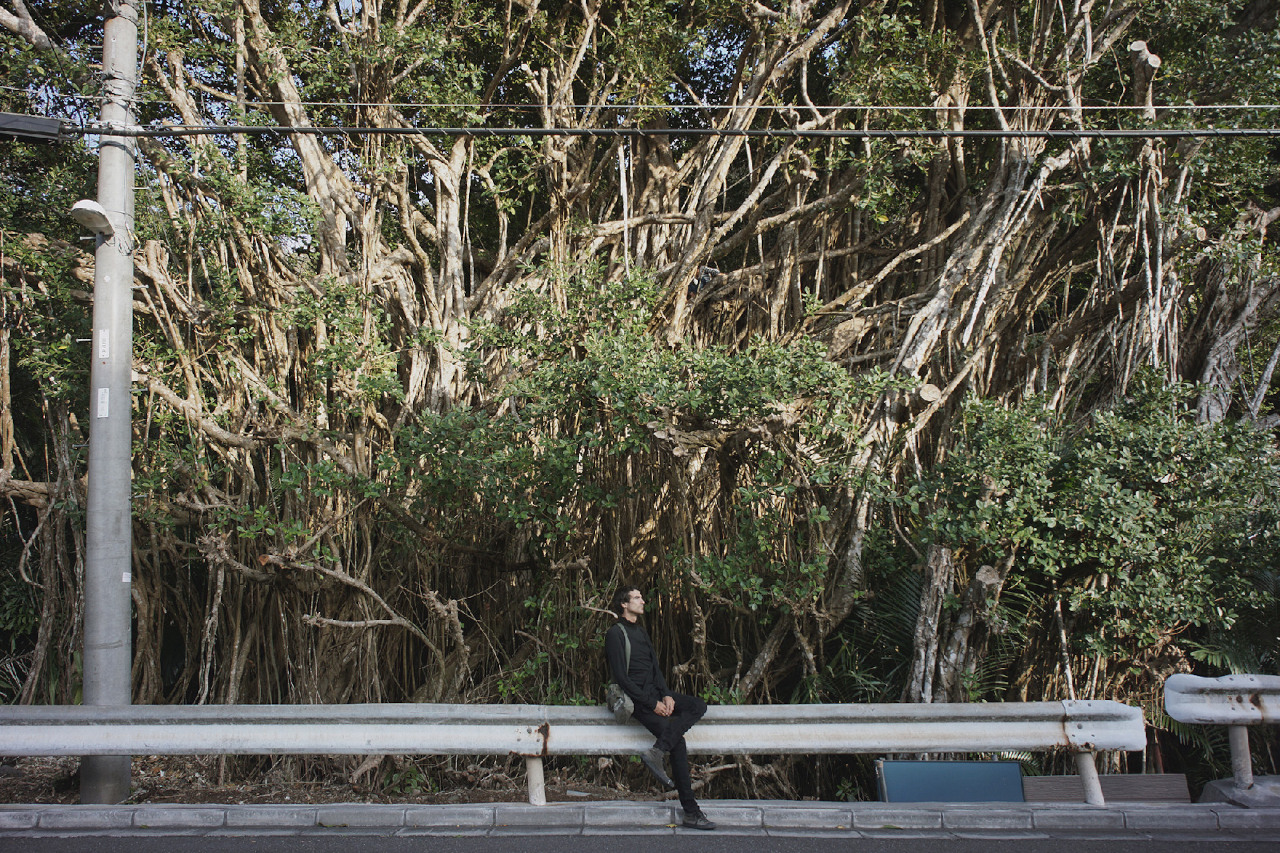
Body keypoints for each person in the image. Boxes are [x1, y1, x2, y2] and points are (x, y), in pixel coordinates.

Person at [605, 586, 716, 831]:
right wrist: (652, 704)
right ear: (624, 604)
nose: (643, 601)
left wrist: (666, 695)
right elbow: (622, 678)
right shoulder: (615, 633)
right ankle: (691, 812)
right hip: (638, 701)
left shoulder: (642, 632)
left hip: (656, 694)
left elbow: (655, 669)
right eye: (637, 598)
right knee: (679, 743)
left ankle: (658, 750)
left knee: (698, 704)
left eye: (641, 597)